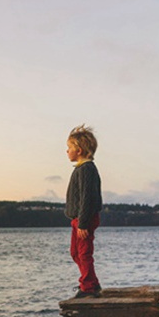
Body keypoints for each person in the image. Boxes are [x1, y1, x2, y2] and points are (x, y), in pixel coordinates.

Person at [65, 125, 103, 298]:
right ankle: (92, 283)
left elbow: (87, 198)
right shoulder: (81, 169)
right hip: (78, 220)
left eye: (69, 148)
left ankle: (88, 287)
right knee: (75, 253)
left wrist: (83, 223)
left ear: (79, 150)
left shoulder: (87, 169)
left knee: (84, 253)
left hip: (84, 219)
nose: (67, 151)